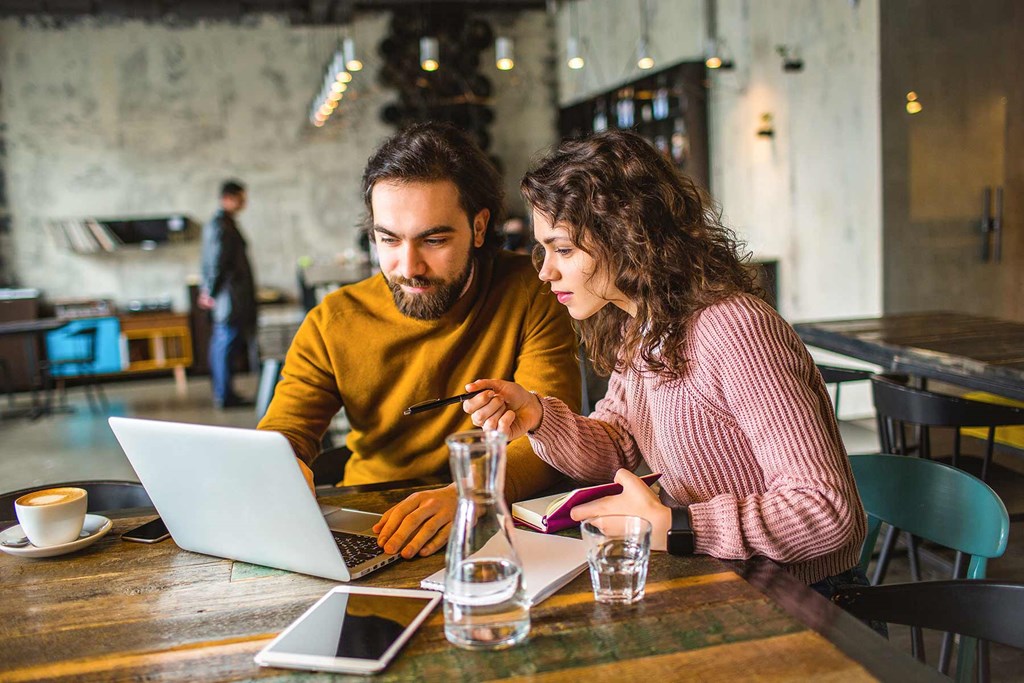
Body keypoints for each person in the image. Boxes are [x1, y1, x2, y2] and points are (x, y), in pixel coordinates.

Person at [463, 130, 868, 594]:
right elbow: (616, 448)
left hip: (805, 601)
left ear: (627, 235)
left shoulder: (734, 328)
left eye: (564, 249)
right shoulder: (642, 327)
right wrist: (537, 416)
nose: (545, 270)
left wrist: (676, 524)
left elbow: (824, 510)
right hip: (720, 582)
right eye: (543, 249)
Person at [257, 123, 580, 560]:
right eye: (388, 239)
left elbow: (553, 440)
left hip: (495, 517)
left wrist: (469, 495)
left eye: (434, 240)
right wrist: (282, 470)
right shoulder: (333, 320)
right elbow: (285, 433)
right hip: (375, 519)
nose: (409, 266)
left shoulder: (533, 289)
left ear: (479, 227)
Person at [199, 180, 258, 409]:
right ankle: (224, 395)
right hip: (228, 299)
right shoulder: (220, 226)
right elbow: (216, 262)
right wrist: (210, 292)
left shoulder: (224, 224)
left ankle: (225, 393)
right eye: (241, 199)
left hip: (228, 297)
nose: (244, 203)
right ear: (228, 198)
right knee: (224, 344)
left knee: (224, 344)